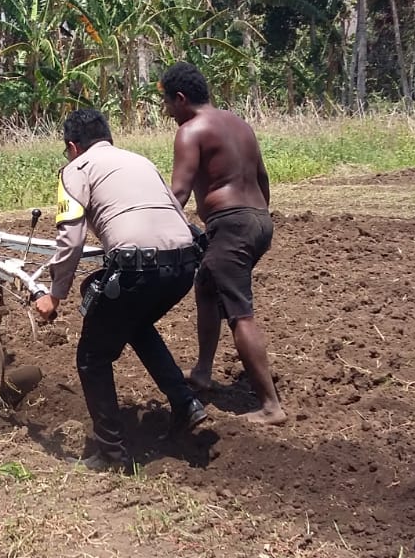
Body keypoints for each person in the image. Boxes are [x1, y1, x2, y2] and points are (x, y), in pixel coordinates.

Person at [33, 108, 208, 473]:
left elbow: (71, 240)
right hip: (183, 266)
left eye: (67, 151)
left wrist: (55, 294)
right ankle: (185, 403)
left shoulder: (75, 170)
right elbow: (173, 210)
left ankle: (113, 456)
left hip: (138, 269)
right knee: (136, 326)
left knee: (92, 358)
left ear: (72, 146)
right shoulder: (139, 161)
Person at [159, 61, 288, 426]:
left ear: (181, 99)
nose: (168, 112)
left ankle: (271, 406)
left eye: (168, 104)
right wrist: (251, 219)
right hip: (259, 221)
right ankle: (202, 372)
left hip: (231, 225)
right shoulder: (239, 125)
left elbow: (179, 192)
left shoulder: (191, 130)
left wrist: (156, 228)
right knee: (206, 287)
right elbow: (263, 180)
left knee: (238, 312)